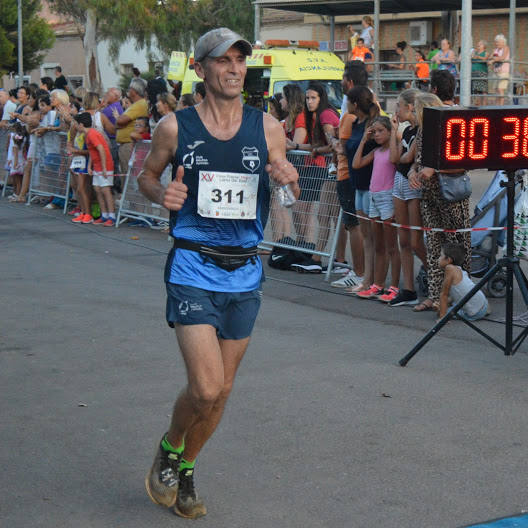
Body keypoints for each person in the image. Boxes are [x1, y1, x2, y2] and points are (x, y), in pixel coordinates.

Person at [137, 27, 298, 519]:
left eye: (239, 61)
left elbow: (282, 172)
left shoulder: (268, 126)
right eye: (223, 61)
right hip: (192, 264)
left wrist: (286, 177)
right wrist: (158, 193)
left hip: (246, 271)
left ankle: (185, 467)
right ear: (201, 69)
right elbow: (147, 174)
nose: (233, 69)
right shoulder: (175, 127)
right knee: (205, 387)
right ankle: (169, 446)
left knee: (223, 390)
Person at [408, 92, 472, 313]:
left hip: (451, 197)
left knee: (456, 247)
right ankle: (436, 297)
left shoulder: (449, 130)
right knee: (435, 249)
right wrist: (413, 173)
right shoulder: (422, 132)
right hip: (430, 197)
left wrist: (433, 169)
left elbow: (462, 164)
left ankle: (460, 295)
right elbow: (415, 161)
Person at [290, 82, 340, 273]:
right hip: (331, 169)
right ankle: (320, 257)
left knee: (330, 217)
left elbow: (333, 144)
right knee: (326, 216)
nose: (309, 102)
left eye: (313, 98)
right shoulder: (320, 115)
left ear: (321, 98)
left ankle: (325, 258)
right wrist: (295, 147)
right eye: (307, 98)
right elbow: (319, 145)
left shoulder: (326, 115)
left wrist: (317, 149)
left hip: (333, 169)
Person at [330, 62, 370, 290]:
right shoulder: (365, 112)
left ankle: (359, 271)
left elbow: (342, 148)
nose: (341, 82)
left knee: (353, 225)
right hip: (359, 174)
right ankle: (364, 273)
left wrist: (333, 140)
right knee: (361, 227)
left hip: (346, 174)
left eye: (344, 78)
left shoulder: (348, 117)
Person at [352, 115, 399, 301]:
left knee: (391, 246)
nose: (377, 135)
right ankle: (377, 284)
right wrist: (364, 140)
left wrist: (395, 133)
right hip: (374, 196)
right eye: (375, 132)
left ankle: (394, 286)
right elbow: (356, 164)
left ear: (389, 131)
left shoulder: (393, 149)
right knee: (379, 245)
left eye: (381, 131)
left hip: (387, 197)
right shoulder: (377, 151)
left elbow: (395, 158)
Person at [388, 88, 425, 306]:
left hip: (413, 184)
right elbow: (395, 158)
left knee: (415, 240)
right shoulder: (407, 130)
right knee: (403, 239)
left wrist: (406, 160)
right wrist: (394, 131)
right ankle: (408, 288)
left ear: (410, 107)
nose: (396, 110)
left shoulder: (420, 130)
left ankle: (434, 275)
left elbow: (407, 158)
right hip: (400, 182)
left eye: (398, 106)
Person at [343, 85, 380, 294]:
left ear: (355, 103)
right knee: (366, 236)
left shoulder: (372, 125)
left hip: (370, 185)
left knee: (372, 236)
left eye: (348, 101)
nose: (346, 104)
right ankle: (367, 279)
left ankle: (373, 280)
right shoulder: (355, 123)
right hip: (357, 185)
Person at [74, 112, 116, 225]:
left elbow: (101, 149)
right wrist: (89, 166)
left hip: (104, 165)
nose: (76, 126)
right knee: (97, 189)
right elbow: (93, 152)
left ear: (81, 125)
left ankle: (112, 216)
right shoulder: (88, 135)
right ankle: (104, 215)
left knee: (105, 190)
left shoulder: (92, 134)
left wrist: (103, 168)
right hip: (97, 165)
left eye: (76, 124)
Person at [438, 242, 489, 321]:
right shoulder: (458, 269)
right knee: (447, 304)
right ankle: (484, 310)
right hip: (484, 303)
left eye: (441, 256)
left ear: (448, 260)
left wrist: (442, 317)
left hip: (475, 312)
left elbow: (444, 294)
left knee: (441, 310)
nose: (438, 258)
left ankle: (475, 312)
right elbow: (456, 293)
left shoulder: (449, 268)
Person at [115, 78, 149, 174]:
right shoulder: (136, 104)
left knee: (127, 177)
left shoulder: (139, 104)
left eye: (130, 88)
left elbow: (120, 121)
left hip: (129, 145)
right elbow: (118, 123)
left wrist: (119, 122)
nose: (128, 90)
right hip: (127, 145)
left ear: (135, 91)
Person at [487, 34, 511, 104]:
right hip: (496, 71)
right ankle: (496, 106)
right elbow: (490, 58)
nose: (496, 43)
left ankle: (501, 106)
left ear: (503, 42)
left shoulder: (506, 48)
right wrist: (492, 58)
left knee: (501, 89)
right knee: (496, 90)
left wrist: (493, 60)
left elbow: (503, 57)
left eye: (498, 42)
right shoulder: (495, 50)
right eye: (496, 42)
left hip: (504, 71)